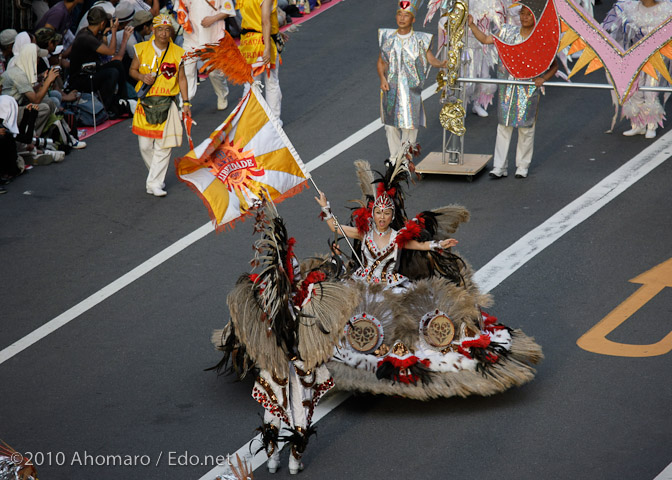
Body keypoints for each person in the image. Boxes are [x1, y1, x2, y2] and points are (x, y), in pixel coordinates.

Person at [309, 159, 543, 400]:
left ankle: (398, 354)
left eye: (386, 213)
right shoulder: (365, 232)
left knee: (404, 317)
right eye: (378, 212)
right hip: (362, 282)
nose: (381, 217)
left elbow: (420, 245)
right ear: (373, 214)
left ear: (391, 216)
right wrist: (326, 208)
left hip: (391, 284)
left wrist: (440, 244)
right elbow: (335, 228)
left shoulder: (398, 236)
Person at [211, 200, 357, 475]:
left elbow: (299, 289)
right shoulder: (268, 288)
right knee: (283, 410)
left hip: (294, 358)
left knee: (289, 409)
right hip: (283, 358)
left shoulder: (289, 282)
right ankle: (280, 458)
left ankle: (288, 459)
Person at [468, 5, 558, 178]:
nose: (524, 17)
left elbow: (554, 65)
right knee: (503, 126)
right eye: (522, 13)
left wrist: (543, 79)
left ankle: (522, 166)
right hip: (507, 87)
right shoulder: (508, 32)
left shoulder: (542, 39)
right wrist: (472, 26)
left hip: (528, 90)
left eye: (528, 14)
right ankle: (499, 167)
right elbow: (487, 40)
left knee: (526, 128)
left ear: (535, 17)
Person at [129, 13, 190, 197]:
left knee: (164, 146)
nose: (164, 33)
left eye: (167, 29)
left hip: (167, 103)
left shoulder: (178, 53)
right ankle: (155, 178)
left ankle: (154, 183)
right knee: (145, 146)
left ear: (171, 32)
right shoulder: (141, 49)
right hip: (146, 104)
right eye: (160, 29)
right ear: (153, 31)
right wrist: (141, 76)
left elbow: (182, 78)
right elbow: (132, 70)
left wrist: (185, 102)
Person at [602, 0, 672, 139]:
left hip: (657, 58)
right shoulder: (628, 8)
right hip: (635, 56)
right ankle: (638, 125)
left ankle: (651, 125)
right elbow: (612, 28)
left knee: (650, 90)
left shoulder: (669, 8)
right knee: (634, 90)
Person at [377, 0, 445, 160]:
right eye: (399, 14)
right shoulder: (387, 37)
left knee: (410, 125)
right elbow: (381, 62)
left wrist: (441, 63)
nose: (402, 18)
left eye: (406, 15)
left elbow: (430, 59)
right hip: (391, 89)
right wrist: (382, 78)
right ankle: (394, 157)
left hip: (411, 90)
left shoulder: (420, 39)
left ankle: (405, 157)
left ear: (413, 19)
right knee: (390, 125)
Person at [68, 6, 133, 119]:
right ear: (102, 23)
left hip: (91, 70)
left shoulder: (88, 33)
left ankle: (122, 99)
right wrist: (113, 32)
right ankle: (106, 108)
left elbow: (106, 53)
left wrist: (103, 35)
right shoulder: (86, 37)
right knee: (112, 72)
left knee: (117, 64)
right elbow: (111, 51)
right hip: (81, 79)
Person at [174, 0, 235, 111]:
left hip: (213, 36)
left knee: (214, 72)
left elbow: (228, 10)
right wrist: (183, 17)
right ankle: (184, 105)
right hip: (191, 36)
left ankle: (222, 94)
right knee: (187, 71)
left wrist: (213, 19)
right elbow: (180, 8)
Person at [237, 0, 283, 119]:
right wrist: (267, 47)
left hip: (247, 42)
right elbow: (265, 21)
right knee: (271, 80)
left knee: (250, 83)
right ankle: (274, 119)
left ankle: (248, 118)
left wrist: (277, 33)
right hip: (263, 41)